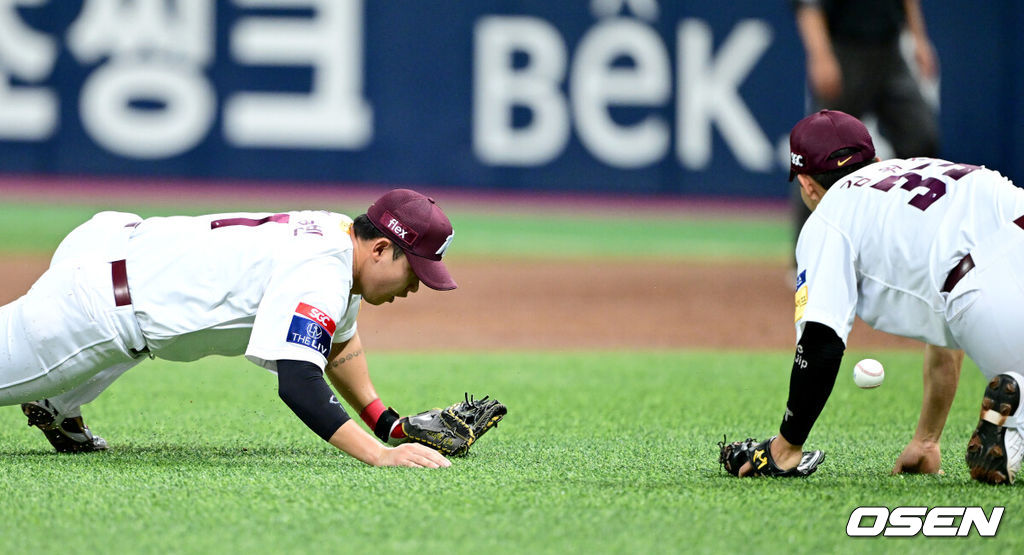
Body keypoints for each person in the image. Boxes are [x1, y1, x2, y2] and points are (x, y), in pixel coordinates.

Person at [1, 188, 458, 469]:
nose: (415, 287)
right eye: (414, 272)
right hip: (92, 308)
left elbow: (336, 340)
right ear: (380, 248)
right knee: (127, 337)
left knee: (138, 338)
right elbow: (300, 383)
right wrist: (380, 455)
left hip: (113, 245)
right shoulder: (323, 272)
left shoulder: (340, 234)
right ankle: (53, 389)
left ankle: (57, 400)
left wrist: (386, 422)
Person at [736, 110, 1023, 485]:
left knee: (960, 298)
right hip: (1006, 232)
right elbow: (945, 338)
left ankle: (1013, 427)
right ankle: (1012, 430)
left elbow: (821, 342)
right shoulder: (921, 167)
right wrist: (926, 439)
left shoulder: (829, 217)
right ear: (876, 160)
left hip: (984, 286)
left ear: (806, 184)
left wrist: (785, 447)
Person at [789, 0, 940, 264]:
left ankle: (912, 246)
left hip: (891, 51)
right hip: (845, 52)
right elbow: (808, 6)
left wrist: (919, 39)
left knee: (921, 137)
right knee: (817, 157)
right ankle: (805, 258)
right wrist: (821, 55)